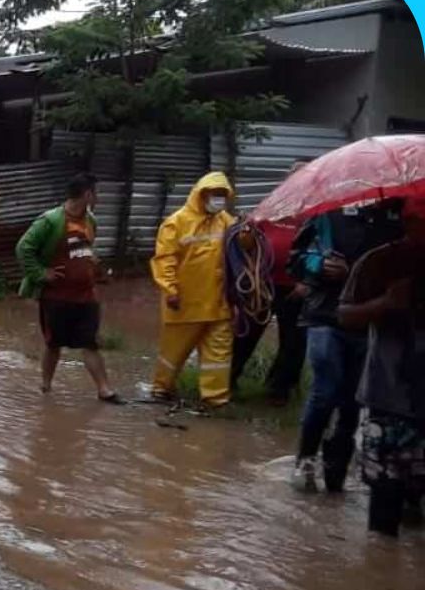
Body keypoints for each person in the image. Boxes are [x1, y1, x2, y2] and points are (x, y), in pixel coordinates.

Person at [289, 199, 405, 492]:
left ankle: (337, 465)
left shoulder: (398, 219)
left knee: (355, 399)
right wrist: (318, 264)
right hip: (324, 315)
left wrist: (351, 269)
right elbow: (296, 258)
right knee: (325, 389)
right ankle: (305, 458)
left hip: (370, 319)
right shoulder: (329, 212)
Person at [337, 196, 425, 536]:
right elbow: (344, 316)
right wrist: (386, 303)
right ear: (407, 221)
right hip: (388, 396)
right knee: (385, 494)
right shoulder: (377, 262)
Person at [15, 172, 121, 403]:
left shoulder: (91, 220)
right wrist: (41, 273)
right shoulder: (50, 221)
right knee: (54, 344)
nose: (99, 197)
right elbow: (23, 248)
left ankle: (104, 390)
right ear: (87, 194)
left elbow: (85, 248)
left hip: (86, 296)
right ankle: (45, 387)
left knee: (90, 343)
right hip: (56, 297)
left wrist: (97, 268)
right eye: (96, 192)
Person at [150, 172, 239, 408]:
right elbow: (164, 259)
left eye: (223, 195)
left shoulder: (227, 221)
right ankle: (161, 389)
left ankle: (215, 398)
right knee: (174, 352)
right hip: (185, 302)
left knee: (218, 354)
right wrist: (170, 290)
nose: (219, 199)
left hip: (219, 302)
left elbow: (241, 248)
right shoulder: (176, 223)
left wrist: (249, 232)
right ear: (202, 194)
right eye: (215, 194)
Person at [229, 161, 311, 405]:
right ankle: (227, 381)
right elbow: (247, 241)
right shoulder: (269, 208)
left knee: (294, 341)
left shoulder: (316, 212)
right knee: (246, 334)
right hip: (262, 284)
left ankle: (279, 390)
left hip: (296, 287)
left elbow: (322, 247)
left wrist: (307, 282)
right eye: (294, 179)